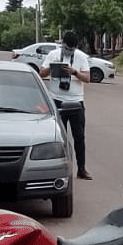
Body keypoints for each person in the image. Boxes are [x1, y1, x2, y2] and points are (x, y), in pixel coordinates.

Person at [39, 28, 92, 179]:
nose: (69, 51)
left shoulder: (81, 57)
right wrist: (52, 68)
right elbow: (41, 73)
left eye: (72, 49)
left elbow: (87, 78)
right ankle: (54, 170)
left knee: (79, 137)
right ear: (62, 44)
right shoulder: (53, 54)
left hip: (76, 102)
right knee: (56, 138)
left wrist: (75, 72)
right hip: (57, 100)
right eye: (67, 48)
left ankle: (81, 168)